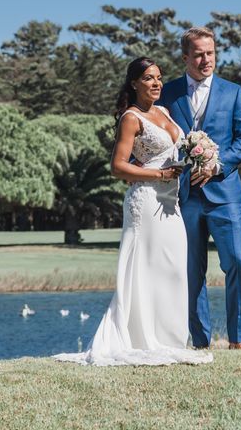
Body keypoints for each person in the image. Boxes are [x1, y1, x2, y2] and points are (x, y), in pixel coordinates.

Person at [54, 57, 213, 366]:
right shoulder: (131, 117)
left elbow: (176, 151)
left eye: (159, 78)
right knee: (145, 268)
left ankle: (170, 338)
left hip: (171, 203)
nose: (156, 83)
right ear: (134, 83)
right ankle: (140, 338)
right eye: (149, 78)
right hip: (146, 201)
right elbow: (118, 166)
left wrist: (200, 155)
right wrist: (160, 175)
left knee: (173, 268)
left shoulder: (164, 112)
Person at [158, 27, 241, 349]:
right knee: (191, 271)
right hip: (183, 197)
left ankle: (238, 340)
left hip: (225, 195)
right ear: (185, 57)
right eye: (198, 54)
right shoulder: (168, 94)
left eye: (210, 53)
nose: (205, 60)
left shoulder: (234, 93)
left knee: (238, 263)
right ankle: (201, 342)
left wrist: (217, 164)